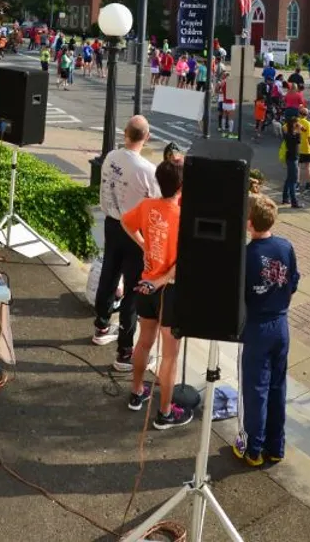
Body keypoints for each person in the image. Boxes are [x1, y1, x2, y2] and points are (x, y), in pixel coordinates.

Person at [123, 160, 192, 429]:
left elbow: (127, 224)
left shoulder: (147, 205)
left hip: (146, 283)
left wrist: (143, 245)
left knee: (143, 343)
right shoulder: (182, 216)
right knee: (170, 355)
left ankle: (137, 392)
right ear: (181, 186)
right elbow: (182, 261)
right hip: (169, 291)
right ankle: (164, 413)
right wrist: (163, 280)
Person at [234, 195, 297, 468]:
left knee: (255, 388)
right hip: (281, 323)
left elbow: (240, 296)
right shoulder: (285, 246)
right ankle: (276, 446)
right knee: (277, 386)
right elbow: (293, 281)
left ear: (249, 224)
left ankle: (253, 447)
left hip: (258, 325)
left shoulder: (247, 256)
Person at [92, 116, 158, 368]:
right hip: (135, 231)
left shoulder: (111, 157)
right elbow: (158, 200)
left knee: (109, 272)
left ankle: (101, 325)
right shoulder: (147, 170)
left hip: (112, 222)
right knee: (132, 289)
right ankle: (125, 351)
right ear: (147, 137)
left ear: (125, 134)